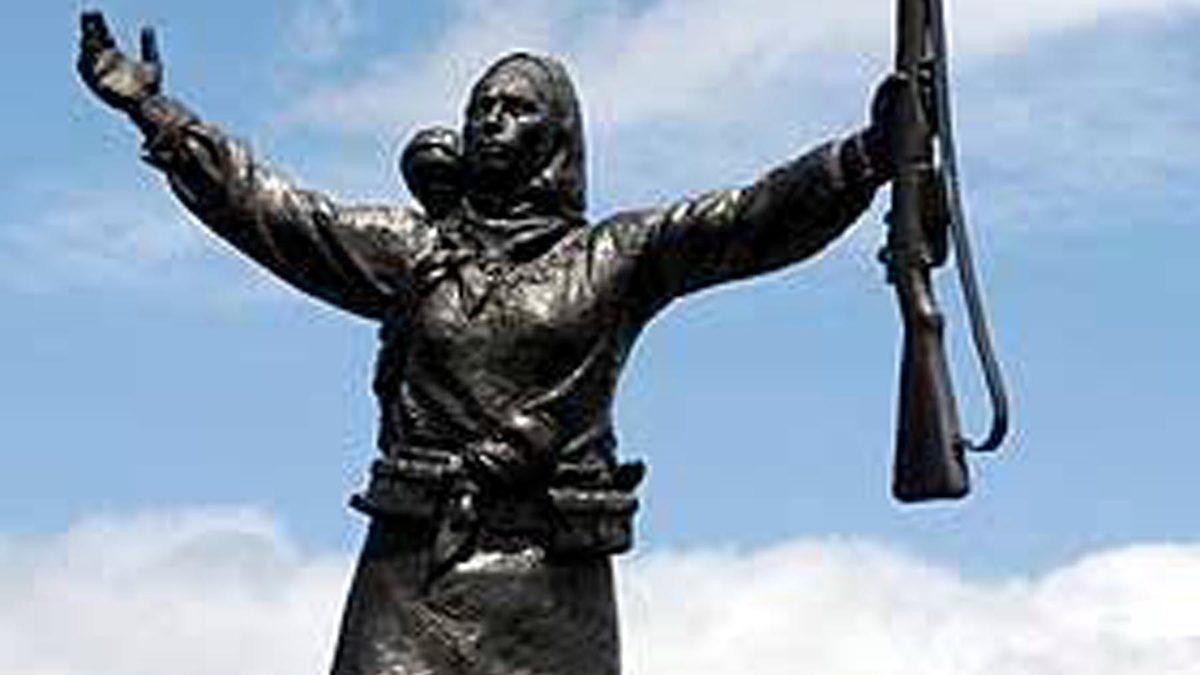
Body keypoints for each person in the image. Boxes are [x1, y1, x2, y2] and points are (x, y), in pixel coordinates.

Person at [77, 11, 898, 675]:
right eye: (481, 109)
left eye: (516, 109)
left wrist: (864, 158)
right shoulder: (413, 253)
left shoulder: (612, 258)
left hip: (553, 581)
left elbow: (745, 220)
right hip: (414, 571)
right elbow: (277, 213)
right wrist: (157, 113)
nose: (492, 122)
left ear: (557, 134)